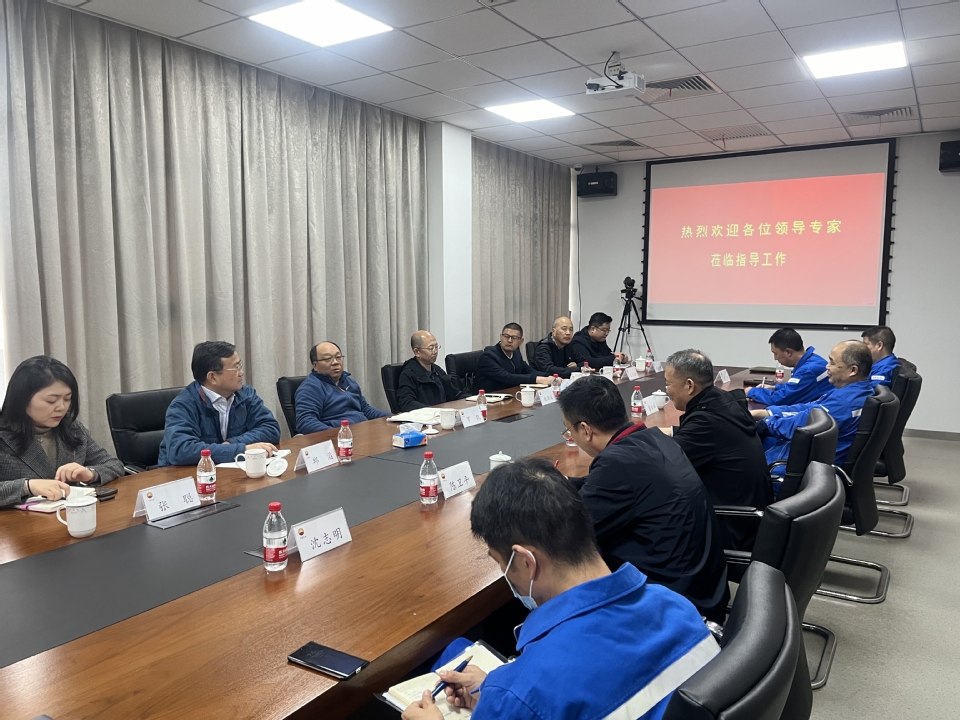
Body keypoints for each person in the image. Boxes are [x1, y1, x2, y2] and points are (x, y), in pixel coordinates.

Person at [401, 457, 719, 720]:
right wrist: (499, 693)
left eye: (500, 562)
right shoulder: (678, 607)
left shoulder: (523, 695)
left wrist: (505, 700)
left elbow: (542, 694)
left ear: (525, 561)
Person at [558, 375, 729, 622]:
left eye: (569, 430)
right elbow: (614, 488)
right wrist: (562, 483)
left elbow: (571, 532)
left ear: (585, 429)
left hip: (672, 607)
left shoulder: (616, 464)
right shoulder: (655, 440)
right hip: (704, 588)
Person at [661, 349, 772, 550]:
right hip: (751, 519)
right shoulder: (722, 401)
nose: (666, 390)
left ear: (689, 385)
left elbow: (663, 464)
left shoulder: (705, 422)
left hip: (730, 528)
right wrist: (671, 431)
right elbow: (709, 437)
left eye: (668, 384)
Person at [0, 356, 124, 507]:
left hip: (72, 515)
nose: (61, 407)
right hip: (19, 521)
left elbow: (114, 465)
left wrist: (90, 473)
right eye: (51, 401)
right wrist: (27, 486)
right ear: (22, 399)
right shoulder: (3, 433)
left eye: (67, 399)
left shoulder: (72, 428)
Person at [752, 341, 875, 472]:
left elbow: (799, 426)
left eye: (832, 362)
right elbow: (810, 408)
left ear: (853, 370)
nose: (827, 366)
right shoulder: (858, 391)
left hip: (803, 465)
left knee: (743, 461)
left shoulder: (843, 402)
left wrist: (766, 423)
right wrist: (768, 412)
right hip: (816, 457)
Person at [158, 342, 280, 466]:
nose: (241, 373)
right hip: (187, 474)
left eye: (240, 366)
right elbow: (181, 450)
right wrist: (241, 449)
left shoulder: (246, 395)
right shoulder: (183, 405)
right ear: (212, 377)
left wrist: (231, 444)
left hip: (229, 471)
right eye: (236, 368)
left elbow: (271, 428)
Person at [295, 341, 390, 433]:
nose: (335, 362)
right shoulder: (310, 388)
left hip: (362, 432)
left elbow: (365, 410)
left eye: (338, 357)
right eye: (328, 359)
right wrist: (340, 434)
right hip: (339, 437)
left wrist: (393, 418)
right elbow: (305, 422)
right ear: (315, 365)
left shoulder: (350, 382)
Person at [746, 327, 829, 406]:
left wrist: (750, 391)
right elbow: (795, 387)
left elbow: (779, 400)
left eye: (775, 353)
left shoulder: (808, 370)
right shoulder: (812, 360)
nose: (775, 358)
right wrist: (775, 388)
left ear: (788, 352)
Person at [397, 331, 467, 411]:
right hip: (428, 416)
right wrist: (433, 411)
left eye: (436, 347)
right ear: (417, 352)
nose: (435, 351)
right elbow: (407, 403)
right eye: (431, 348)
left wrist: (473, 399)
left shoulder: (437, 370)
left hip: (444, 414)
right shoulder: (408, 374)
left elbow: (455, 393)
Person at [473, 324, 552, 392]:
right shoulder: (488, 356)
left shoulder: (516, 354)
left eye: (514, 338)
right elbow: (507, 377)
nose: (509, 340)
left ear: (521, 341)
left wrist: (549, 376)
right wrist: (537, 379)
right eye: (506, 336)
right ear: (501, 337)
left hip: (509, 394)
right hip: (488, 398)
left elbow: (528, 370)